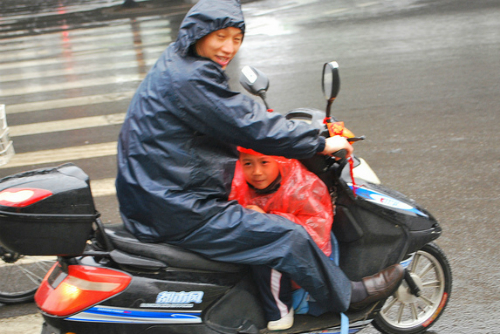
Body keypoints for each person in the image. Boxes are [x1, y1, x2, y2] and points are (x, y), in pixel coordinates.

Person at [116, 0, 404, 323]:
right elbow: (250, 125)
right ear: (199, 33)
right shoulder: (192, 79)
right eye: (220, 37)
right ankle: (348, 296)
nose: (228, 48)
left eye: (236, 39)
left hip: (152, 197)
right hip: (178, 208)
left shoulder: (176, 61)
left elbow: (230, 118)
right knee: (286, 235)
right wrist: (319, 142)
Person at [229, 147, 335, 330]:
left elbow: (315, 229)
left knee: (269, 251)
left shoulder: (301, 185)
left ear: (279, 161)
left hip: (301, 256)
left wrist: (268, 220)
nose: (257, 172)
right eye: (247, 164)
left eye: (264, 162)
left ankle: (280, 311)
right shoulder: (239, 187)